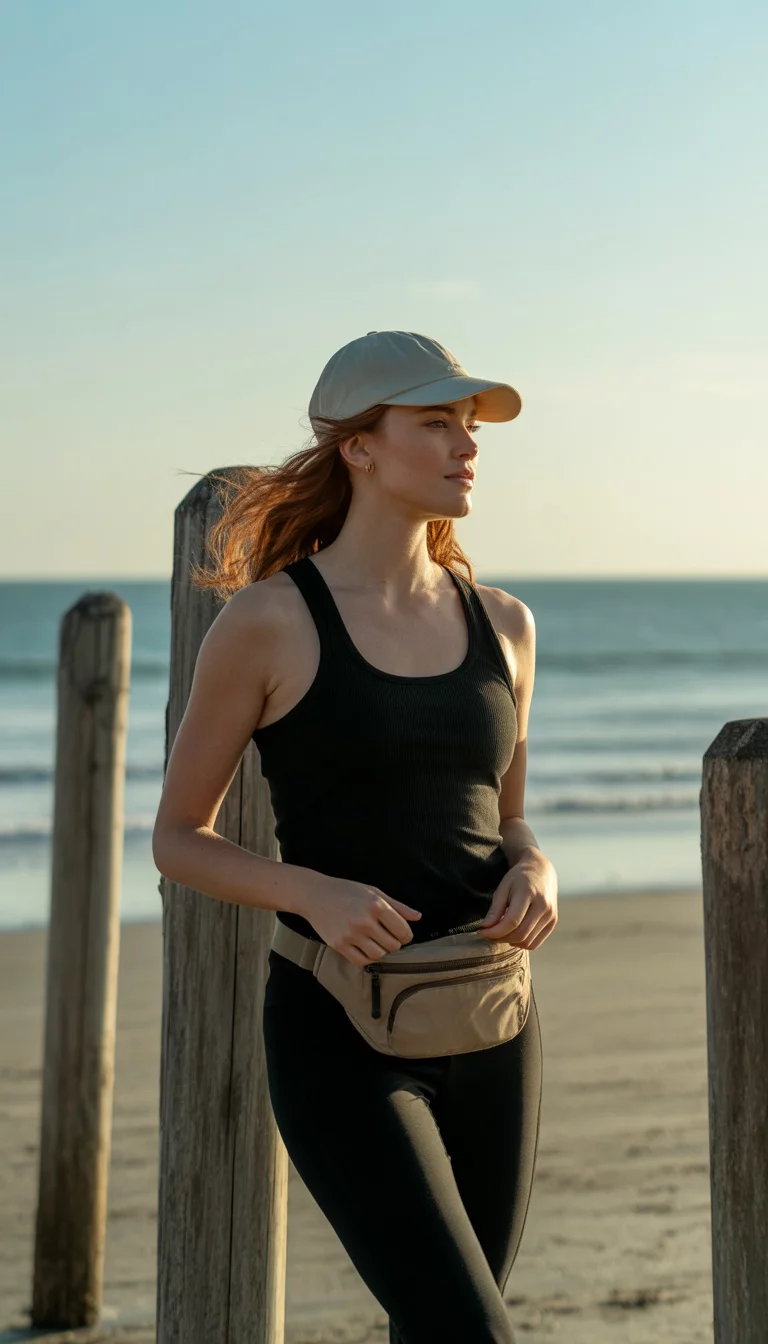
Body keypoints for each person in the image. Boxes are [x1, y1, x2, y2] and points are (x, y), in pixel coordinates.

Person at [152, 330, 559, 1343]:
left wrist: (538, 864)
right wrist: (311, 891)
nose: (468, 446)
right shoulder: (269, 623)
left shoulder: (505, 623)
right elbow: (178, 838)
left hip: (493, 1016)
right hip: (341, 1029)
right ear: (359, 447)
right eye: (436, 423)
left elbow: (504, 817)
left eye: (470, 427)